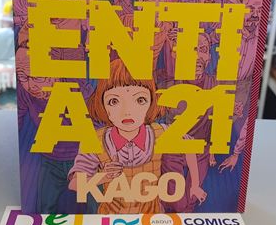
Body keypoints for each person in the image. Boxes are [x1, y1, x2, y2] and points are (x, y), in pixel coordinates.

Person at [68, 59, 207, 214]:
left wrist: (195, 185)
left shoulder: (161, 132)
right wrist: (102, 177)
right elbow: (74, 184)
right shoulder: (96, 140)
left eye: (140, 100)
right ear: (102, 104)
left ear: (151, 102)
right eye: (114, 101)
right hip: (111, 219)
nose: (127, 111)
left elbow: (189, 146)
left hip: (152, 218)